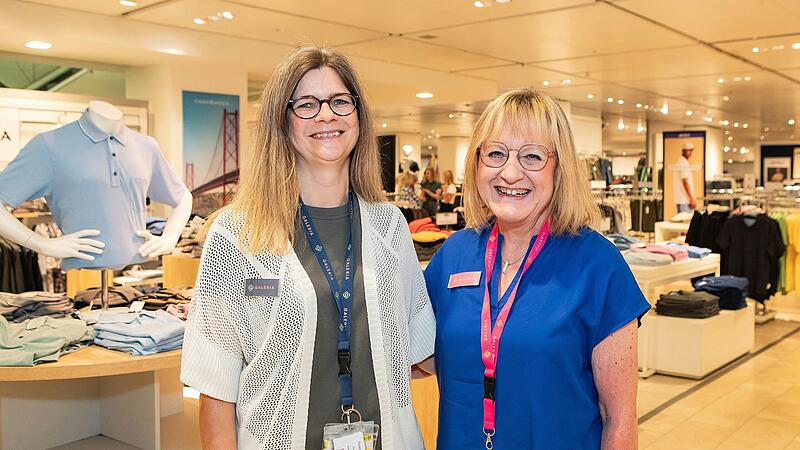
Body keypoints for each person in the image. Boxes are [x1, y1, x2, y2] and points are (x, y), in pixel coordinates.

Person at [181, 46, 435, 450]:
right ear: (281, 122)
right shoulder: (236, 235)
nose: (326, 115)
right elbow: (216, 387)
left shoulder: (389, 226)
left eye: (340, 101)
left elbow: (420, 350)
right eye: (306, 104)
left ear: (358, 114)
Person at [422, 89, 650, 449]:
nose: (510, 173)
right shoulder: (454, 255)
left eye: (532, 156)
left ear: (560, 168)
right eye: (495, 153)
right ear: (477, 163)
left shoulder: (599, 265)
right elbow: (418, 357)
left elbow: (618, 417)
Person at [673, 141, 697, 212]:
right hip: (684, 200)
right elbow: (685, 182)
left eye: (691, 151)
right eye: (689, 151)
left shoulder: (681, 161)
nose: (690, 153)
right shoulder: (682, 162)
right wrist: (691, 198)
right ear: (683, 151)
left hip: (683, 200)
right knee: (685, 218)